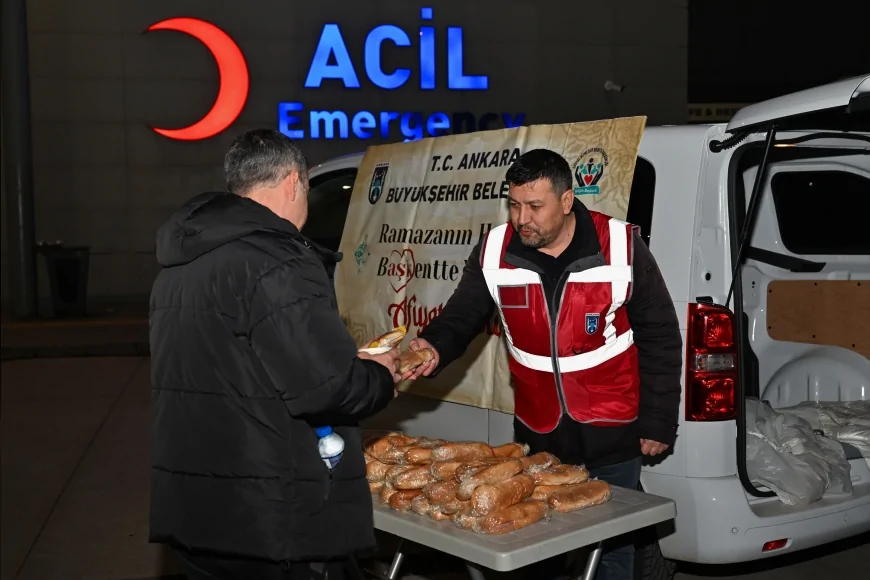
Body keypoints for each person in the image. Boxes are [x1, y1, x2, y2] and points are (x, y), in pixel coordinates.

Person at [407, 149, 682, 580]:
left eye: (535, 206)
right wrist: (435, 348)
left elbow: (661, 336)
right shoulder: (495, 250)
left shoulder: (621, 246)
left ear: (568, 200)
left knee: (612, 548)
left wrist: (659, 419)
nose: (522, 218)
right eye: (514, 205)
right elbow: (461, 316)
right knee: (538, 546)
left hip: (612, 428)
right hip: (540, 432)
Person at [149, 129, 401, 580]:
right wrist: (380, 373)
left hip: (198, 512)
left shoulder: (180, 265)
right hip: (269, 522)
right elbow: (328, 388)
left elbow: (242, 370)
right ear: (292, 182)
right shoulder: (278, 259)